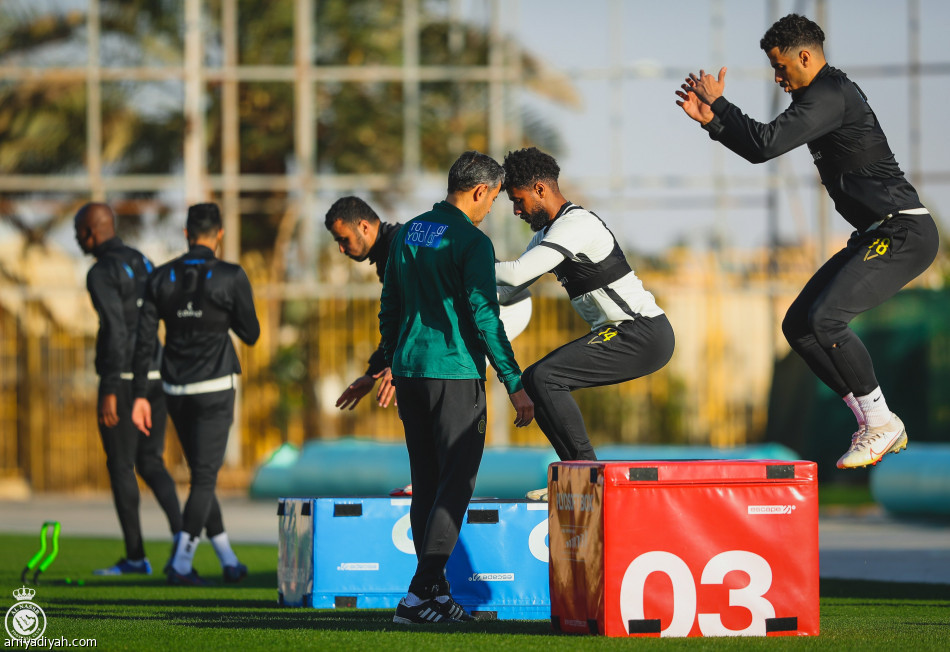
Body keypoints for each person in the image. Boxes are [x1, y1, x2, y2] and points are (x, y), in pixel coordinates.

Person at [675, 13, 938, 469]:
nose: (778, 79)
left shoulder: (829, 93)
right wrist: (714, 123)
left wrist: (721, 109)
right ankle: (871, 420)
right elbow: (760, 147)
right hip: (875, 235)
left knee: (827, 318)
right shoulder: (822, 95)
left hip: (903, 231)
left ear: (804, 56)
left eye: (781, 68)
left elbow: (764, 144)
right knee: (799, 325)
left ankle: (881, 421)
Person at [379, 150, 534, 624]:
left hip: (409, 372)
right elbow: (484, 315)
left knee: (426, 481)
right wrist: (514, 381)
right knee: (456, 482)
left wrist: (391, 358)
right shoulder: (472, 241)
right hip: (454, 373)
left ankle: (436, 597)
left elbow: (389, 304)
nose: (493, 209)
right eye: (492, 199)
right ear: (480, 191)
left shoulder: (407, 232)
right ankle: (419, 592)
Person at [494, 147, 675, 500]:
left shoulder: (576, 224)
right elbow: (505, 285)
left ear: (540, 190)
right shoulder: (549, 233)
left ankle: (589, 479)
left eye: (518, 201)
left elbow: (515, 275)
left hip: (642, 331)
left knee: (545, 377)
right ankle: (577, 477)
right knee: (534, 380)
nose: (516, 211)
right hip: (621, 333)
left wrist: (458, 263)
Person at [131, 202, 261, 585]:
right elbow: (251, 334)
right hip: (215, 387)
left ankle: (228, 558)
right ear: (218, 234)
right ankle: (182, 562)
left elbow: (143, 340)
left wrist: (140, 394)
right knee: (204, 477)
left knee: (201, 474)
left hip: (173, 389)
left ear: (187, 234)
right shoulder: (230, 276)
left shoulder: (160, 277)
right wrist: (224, 314)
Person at [325, 195, 534, 412]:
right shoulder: (392, 247)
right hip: (492, 303)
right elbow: (400, 319)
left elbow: (417, 313)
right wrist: (374, 372)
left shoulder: (399, 243)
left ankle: (468, 428)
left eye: (343, 239)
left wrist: (393, 364)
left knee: (457, 368)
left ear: (364, 227)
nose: (341, 248)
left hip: (508, 304)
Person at [74, 202, 182, 576]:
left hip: (122, 381)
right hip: (156, 374)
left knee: (121, 464)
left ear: (91, 232)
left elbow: (117, 329)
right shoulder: (143, 260)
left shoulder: (100, 271)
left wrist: (108, 383)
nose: (77, 239)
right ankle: (183, 547)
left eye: (78, 233)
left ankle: (136, 557)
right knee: (152, 462)